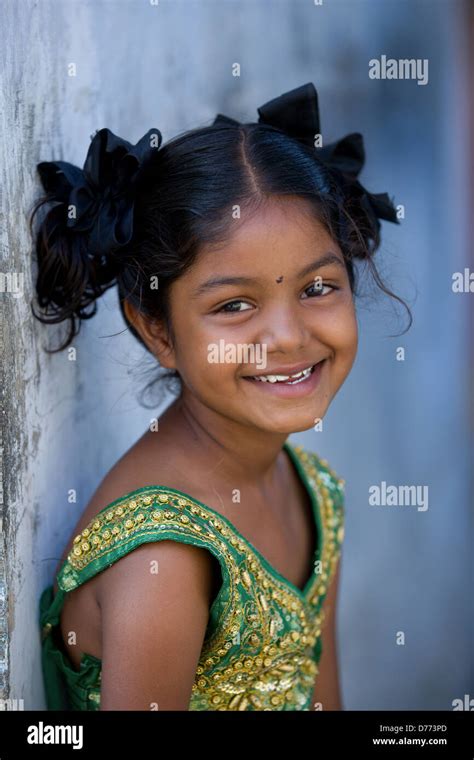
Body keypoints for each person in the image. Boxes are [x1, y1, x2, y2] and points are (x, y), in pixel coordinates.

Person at [33, 82, 411, 711]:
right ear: (159, 329)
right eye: (234, 305)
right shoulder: (164, 558)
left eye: (319, 287)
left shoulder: (315, 492)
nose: (289, 338)